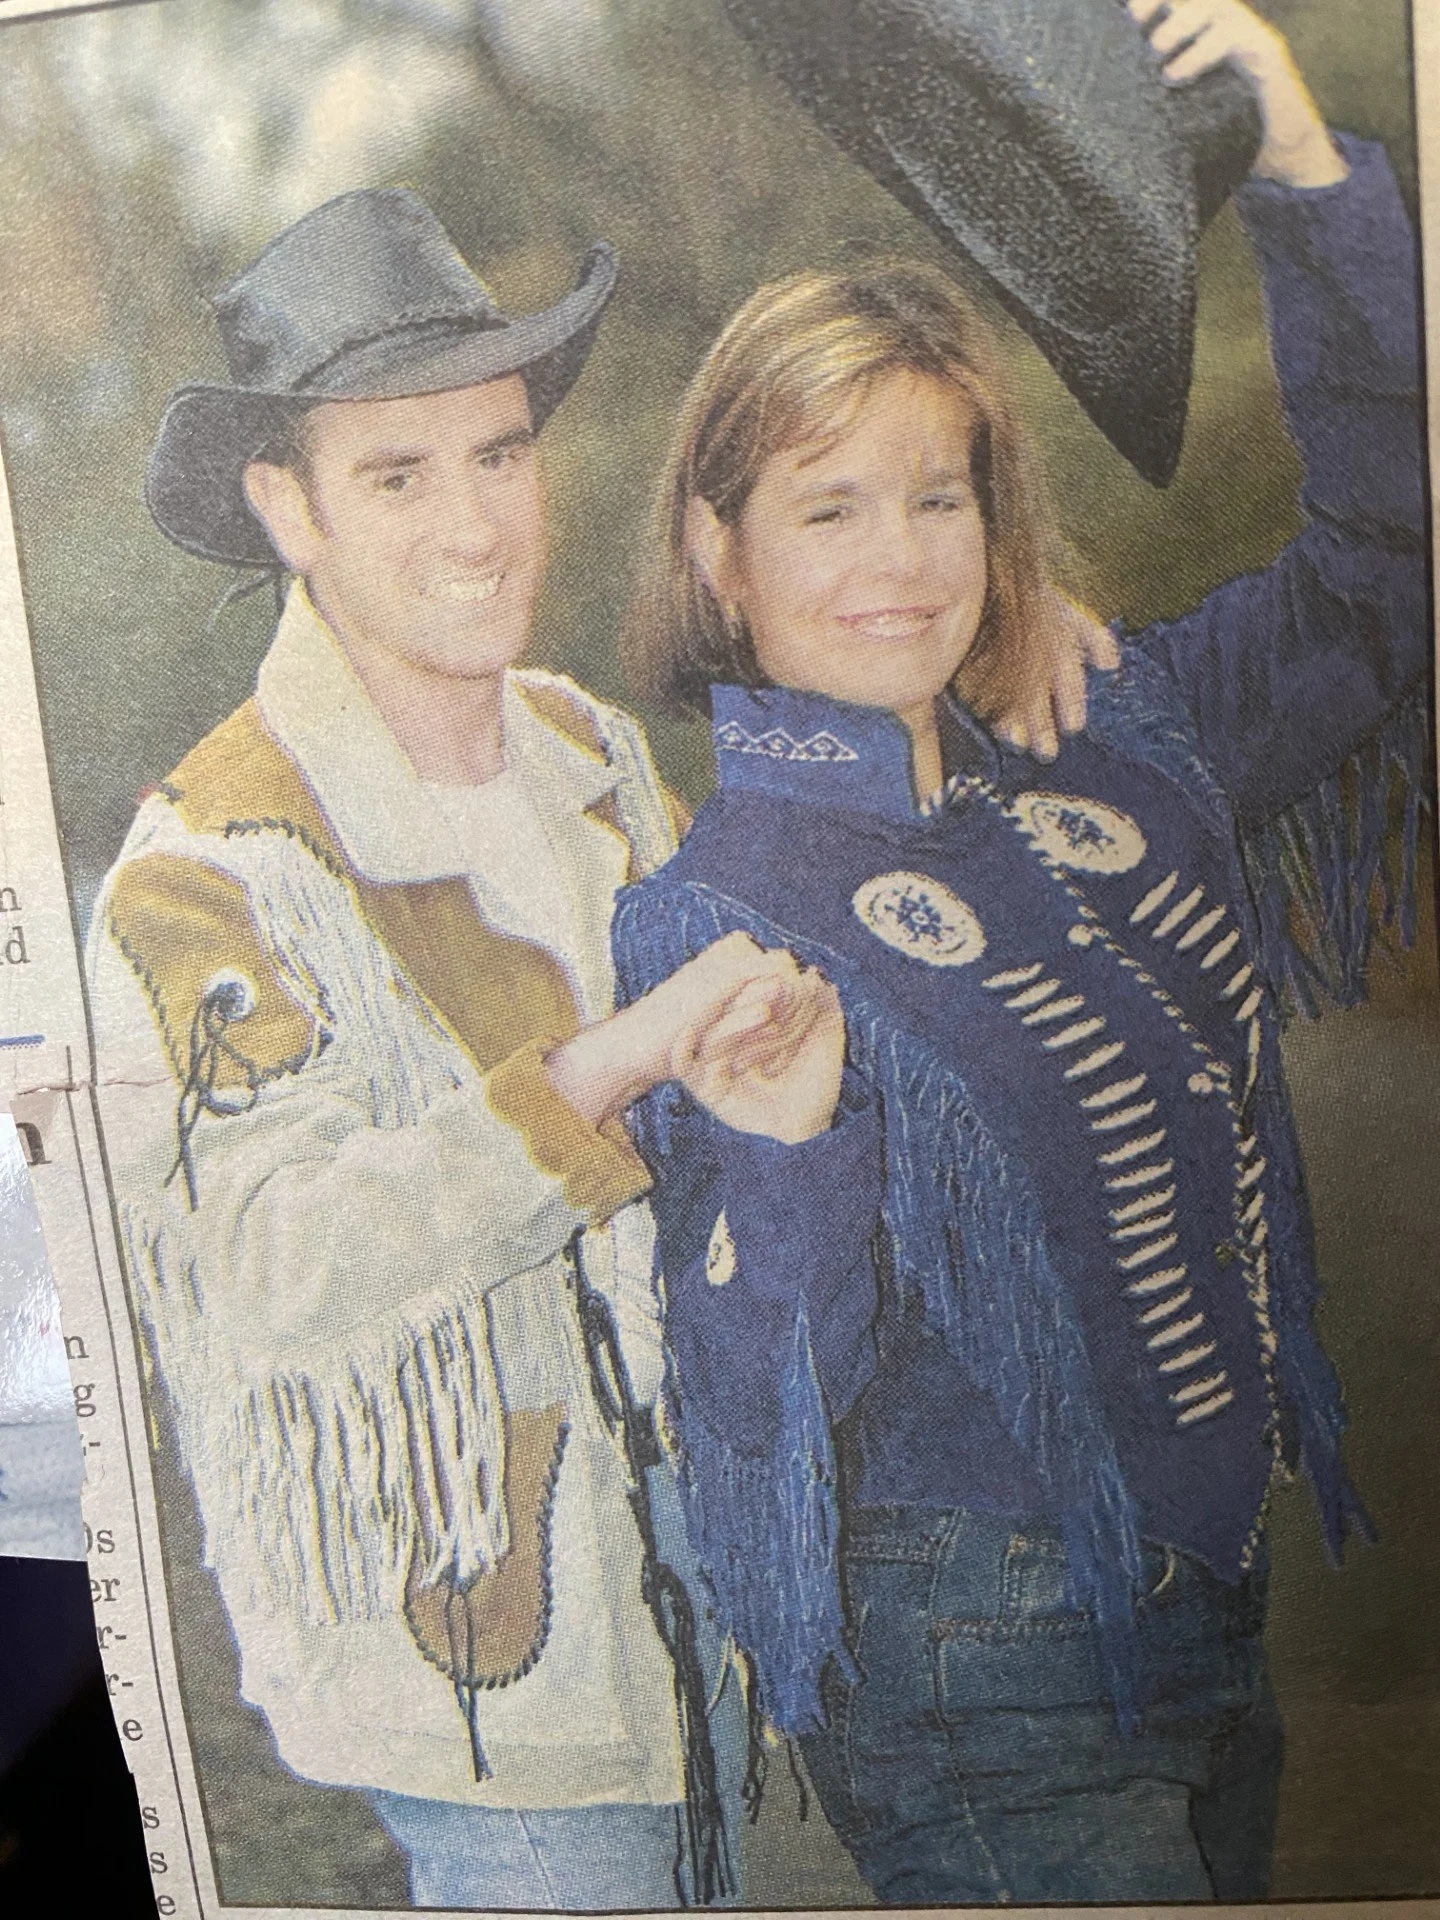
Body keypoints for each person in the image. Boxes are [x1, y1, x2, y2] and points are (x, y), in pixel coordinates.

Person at [612, 0, 1427, 1903]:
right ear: (720, 553)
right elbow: (759, 1406)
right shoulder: (709, 912)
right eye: (829, 508)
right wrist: (797, 1154)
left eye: (939, 492)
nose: (901, 557)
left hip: (1212, 1611)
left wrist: (1299, 163)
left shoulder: (1112, 746)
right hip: (975, 1677)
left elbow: (1394, 566)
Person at [85, 186, 862, 1912]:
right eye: (396, 475)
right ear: (285, 509)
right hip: (487, 1703)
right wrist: (604, 1071)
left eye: (499, 455)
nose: (476, 524)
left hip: (711, 1640)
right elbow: (268, 1272)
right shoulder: (206, 867)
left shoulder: (587, 745)